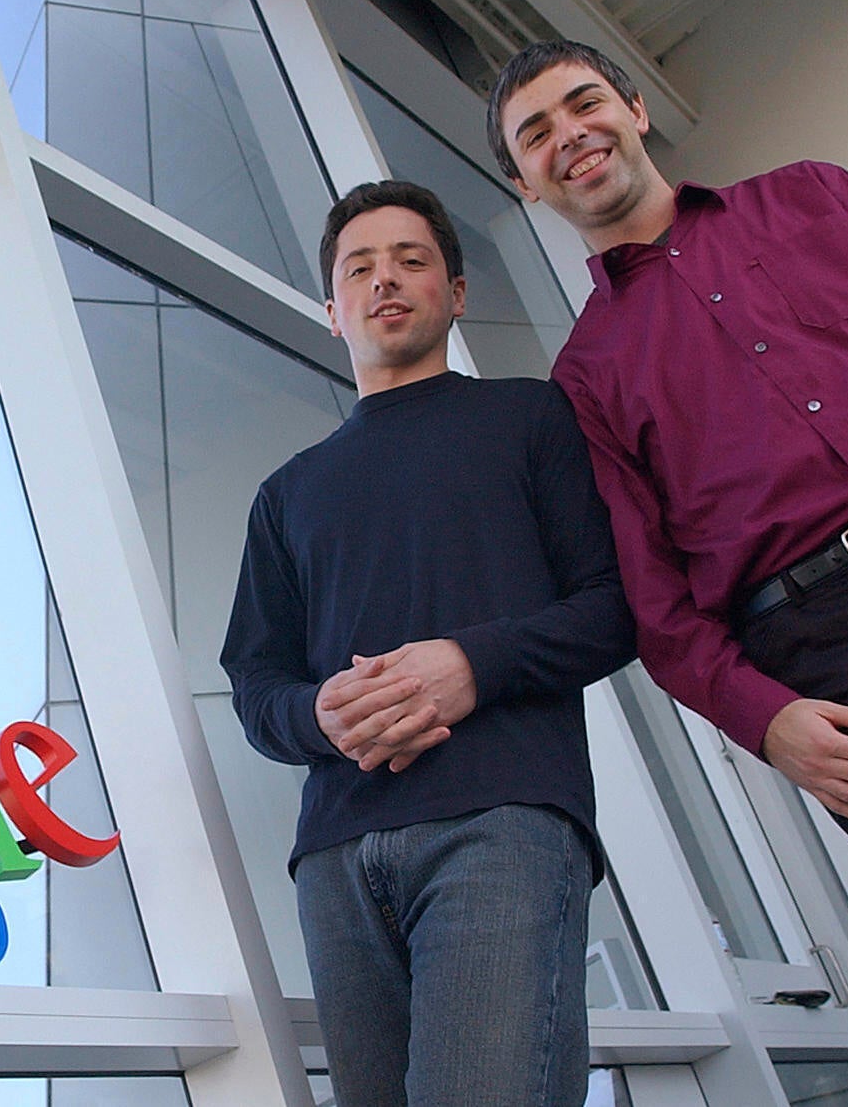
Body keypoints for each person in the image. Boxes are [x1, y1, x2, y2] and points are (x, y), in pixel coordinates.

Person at [488, 39, 848, 1029]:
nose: (568, 134)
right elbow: (654, 604)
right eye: (535, 134)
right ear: (523, 187)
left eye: (582, 103)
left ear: (635, 110)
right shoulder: (583, 381)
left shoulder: (814, 196)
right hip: (845, 673)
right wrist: (764, 722)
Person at [221, 178, 634, 1107]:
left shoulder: (534, 417)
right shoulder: (289, 492)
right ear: (332, 311)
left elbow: (617, 607)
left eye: (412, 261)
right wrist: (320, 716)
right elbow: (255, 683)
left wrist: (471, 666)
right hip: (334, 857)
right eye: (359, 268)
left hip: (505, 824)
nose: (386, 281)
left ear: (455, 293)